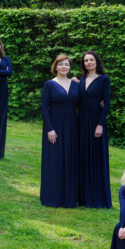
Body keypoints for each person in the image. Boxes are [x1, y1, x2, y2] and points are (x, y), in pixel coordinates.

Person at [40, 54, 79, 208]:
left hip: (71, 125)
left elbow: (84, 101)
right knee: (54, 160)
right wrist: (50, 128)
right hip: (54, 125)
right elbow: (44, 107)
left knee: (70, 159)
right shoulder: (49, 85)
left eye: (67, 65)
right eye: (61, 64)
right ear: (55, 67)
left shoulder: (76, 84)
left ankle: (68, 198)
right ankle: (52, 197)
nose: (64, 67)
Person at [77, 50, 112, 208]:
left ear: (97, 61)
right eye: (86, 61)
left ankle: (97, 197)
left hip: (96, 121)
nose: (88, 63)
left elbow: (107, 103)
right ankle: (83, 197)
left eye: (91, 60)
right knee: (82, 155)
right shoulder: (81, 79)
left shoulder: (104, 79)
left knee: (96, 157)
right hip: (82, 120)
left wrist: (100, 124)